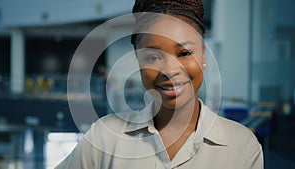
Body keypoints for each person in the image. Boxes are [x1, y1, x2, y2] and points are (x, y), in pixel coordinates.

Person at [55, 0, 263, 168]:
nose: (170, 71)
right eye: (153, 57)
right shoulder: (103, 139)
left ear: (204, 56)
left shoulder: (242, 146)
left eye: (184, 53)